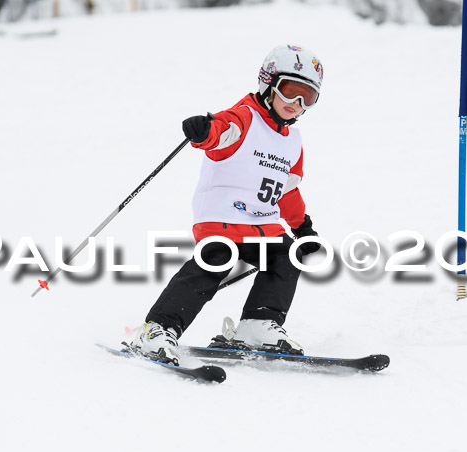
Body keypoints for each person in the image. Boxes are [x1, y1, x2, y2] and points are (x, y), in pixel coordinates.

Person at [131, 44, 325, 365]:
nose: (297, 104)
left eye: (308, 97)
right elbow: (223, 133)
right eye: (290, 91)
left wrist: (301, 226)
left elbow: (286, 190)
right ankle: (158, 329)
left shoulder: (293, 141)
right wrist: (205, 131)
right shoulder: (245, 117)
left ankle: (256, 325)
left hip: (263, 225)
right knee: (215, 262)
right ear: (268, 83)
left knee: (286, 255)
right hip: (223, 219)